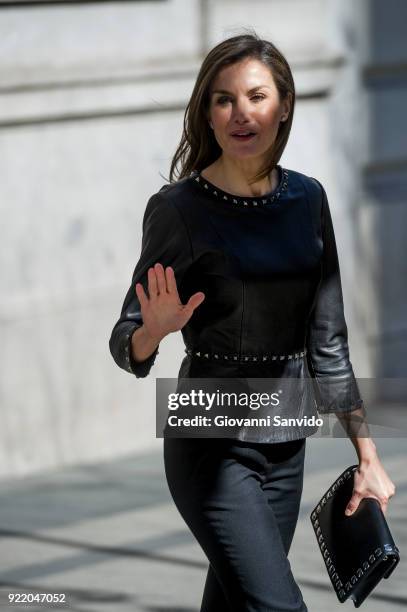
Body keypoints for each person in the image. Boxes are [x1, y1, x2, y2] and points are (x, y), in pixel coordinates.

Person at [109, 32, 396, 612]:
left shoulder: (308, 201)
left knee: (235, 602)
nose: (241, 114)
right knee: (278, 606)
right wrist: (153, 332)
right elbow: (126, 341)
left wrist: (367, 453)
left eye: (257, 96)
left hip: (285, 435)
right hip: (207, 438)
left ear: (283, 104)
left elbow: (328, 343)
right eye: (223, 100)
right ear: (207, 114)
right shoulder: (179, 209)